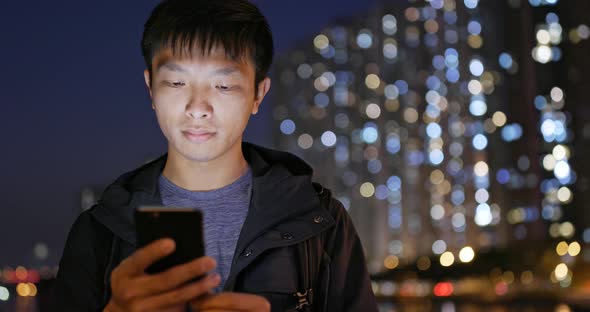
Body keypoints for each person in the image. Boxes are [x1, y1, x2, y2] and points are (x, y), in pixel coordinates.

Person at [55, 0, 378, 311]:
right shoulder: (99, 231)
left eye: (223, 86)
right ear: (151, 88)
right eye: (177, 82)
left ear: (257, 94)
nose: (197, 108)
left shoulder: (320, 221)